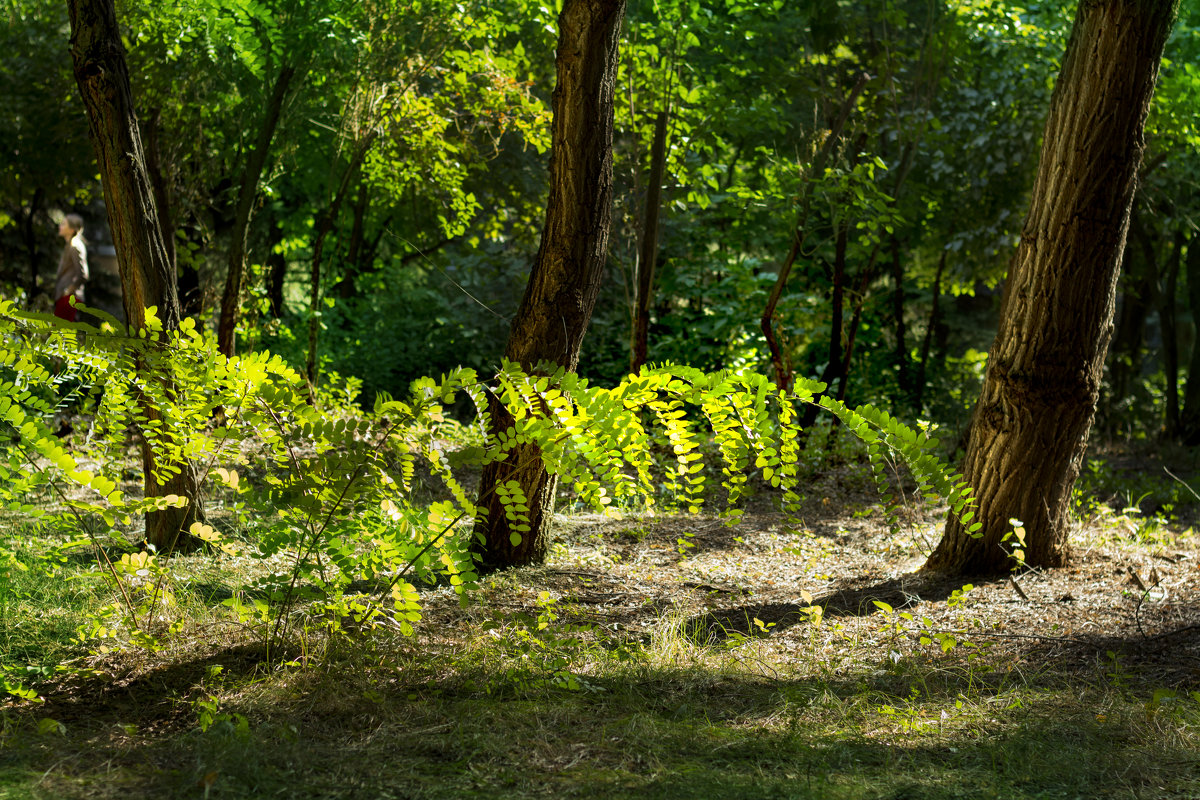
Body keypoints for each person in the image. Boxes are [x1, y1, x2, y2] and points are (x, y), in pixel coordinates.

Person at [54, 213, 88, 322]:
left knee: (60, 334)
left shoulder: (75, 246)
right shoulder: (70, 245)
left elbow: (83, 275)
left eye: (64, 224)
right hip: (65, 297)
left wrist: (68, 291)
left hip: (69, 298)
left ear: (72, 229)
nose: (60, 226)